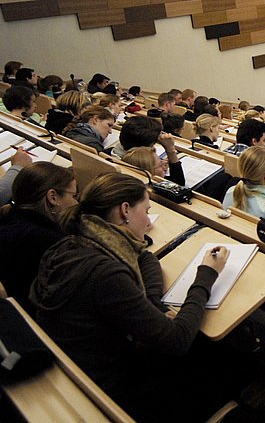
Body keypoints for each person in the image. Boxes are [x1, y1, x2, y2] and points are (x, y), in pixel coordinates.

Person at [29, 173, 236, 423]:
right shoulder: (106, 275)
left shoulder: (72, 244)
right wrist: (206, 275)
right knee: (225, 361)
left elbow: (144, 257)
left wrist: (151, 304)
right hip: (109, 392)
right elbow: (176, 340)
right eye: (146, 210)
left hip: (77, 370)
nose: (148, 221)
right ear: (125, 210)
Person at [0, 163, 76, 313]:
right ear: (53, 197)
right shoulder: (51, 243)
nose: (76, 203)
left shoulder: (8, 218)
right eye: (74, 196)